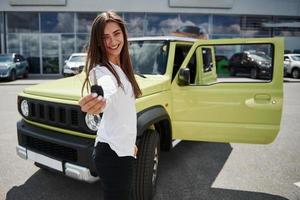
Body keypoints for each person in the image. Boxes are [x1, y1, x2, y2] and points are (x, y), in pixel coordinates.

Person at [78, 11, 142, 200]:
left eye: (116, 33)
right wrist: (99, 101)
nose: (112, 41)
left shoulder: (122, 69)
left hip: (121, 149)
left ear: (123, 34)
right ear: (98, 42)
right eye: (105, 37)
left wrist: (130, 143)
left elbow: (124, 112)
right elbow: (107, 89)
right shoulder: (100, 71)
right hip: (112, 155)